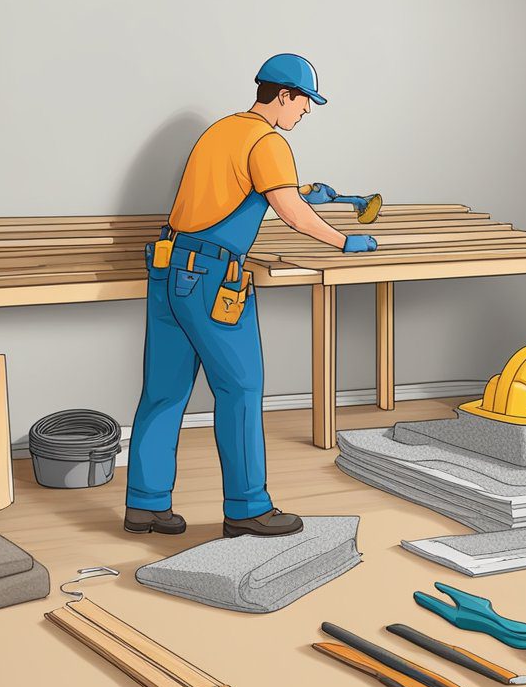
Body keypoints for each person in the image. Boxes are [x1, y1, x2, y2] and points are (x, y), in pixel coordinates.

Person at [123, 54, 377, 538]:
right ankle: (246, 508)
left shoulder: (224, 130)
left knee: (164, 391)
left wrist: (308, 192)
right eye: (305, 102)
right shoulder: (269, 141)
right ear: (283, 95)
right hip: (213, 281)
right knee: (240, 390)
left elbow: (233, 189)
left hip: (168, 269)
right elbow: (293, 216)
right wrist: (347, 242)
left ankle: (146, 504)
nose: (306, 112)